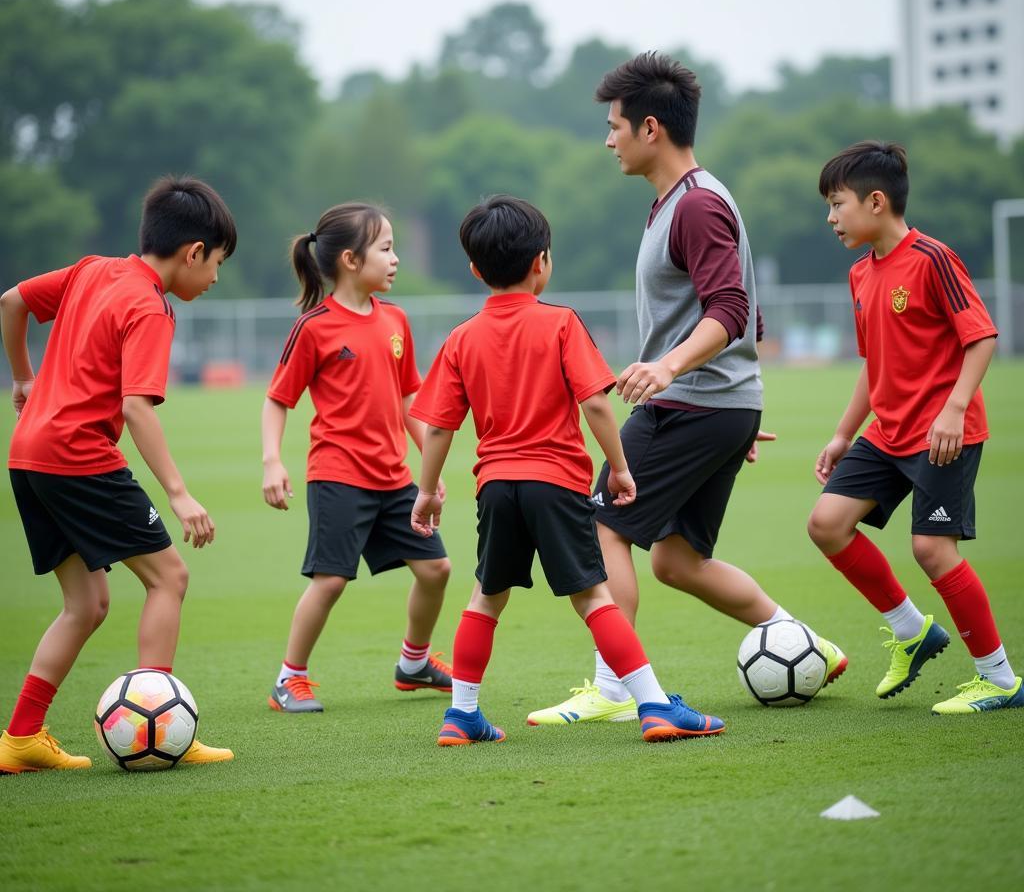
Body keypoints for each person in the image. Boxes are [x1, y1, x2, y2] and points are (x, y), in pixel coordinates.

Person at [529, 52, 845, 726]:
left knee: (602, 523)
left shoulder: (697, 205)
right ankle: (804, 642)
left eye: (614, 126)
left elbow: (730, 310)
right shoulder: (678, 203)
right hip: (712, 407)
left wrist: (676, 373)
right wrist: (731, 412)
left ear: (651, 128)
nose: (607, 140)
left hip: (693, 403)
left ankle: (615, 688)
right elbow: (748, 314)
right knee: (676, 560)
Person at [410, 195, 725, 746]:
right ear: (542, 263)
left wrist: (428, 491)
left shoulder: (461, 337)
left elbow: (438, 427)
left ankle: (462, 715)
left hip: (496, 487)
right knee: (593, 598)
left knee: (486, 595)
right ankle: (654, 706)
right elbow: (598, 404)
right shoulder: (560, 323)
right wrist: (622, 470)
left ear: (475, 270)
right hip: (554, 482)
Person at [0, 176, 237, 774]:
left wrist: (22, 376)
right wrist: (179, 496)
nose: (214, 279)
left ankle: (21, 738)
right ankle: (162, 723)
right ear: (192, 252)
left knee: (86, 603)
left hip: (28, 455)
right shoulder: (150, 307)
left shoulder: (91, 270)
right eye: (216, 264)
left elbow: (11, 301)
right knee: (169, 578)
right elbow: (136, 408)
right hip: (78, 456)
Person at [807, 140, 1020, 714]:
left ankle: (999, 678)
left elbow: (982, 337)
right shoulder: (860, 275)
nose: (831, 218)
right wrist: (843, 433)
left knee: (931, 548)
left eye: (837, 204)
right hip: (888, 430)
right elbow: (874, 365)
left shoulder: (932, 258)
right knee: (827, 524)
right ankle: (911, 630)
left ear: (877, 202)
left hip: (942, 434)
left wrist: (953, 409)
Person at [262, 203, 452, 714]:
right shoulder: (315, 327)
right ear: (349, 259)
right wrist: (271, 461)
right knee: (331, 580)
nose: (395, 260)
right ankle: (289, 678)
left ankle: (413, 664)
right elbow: (279, 399)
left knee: (436, 570)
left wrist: (428, 473)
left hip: (394, 479)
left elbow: (410, 398)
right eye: (386, 249)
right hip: (338, 476)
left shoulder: (396, 321)